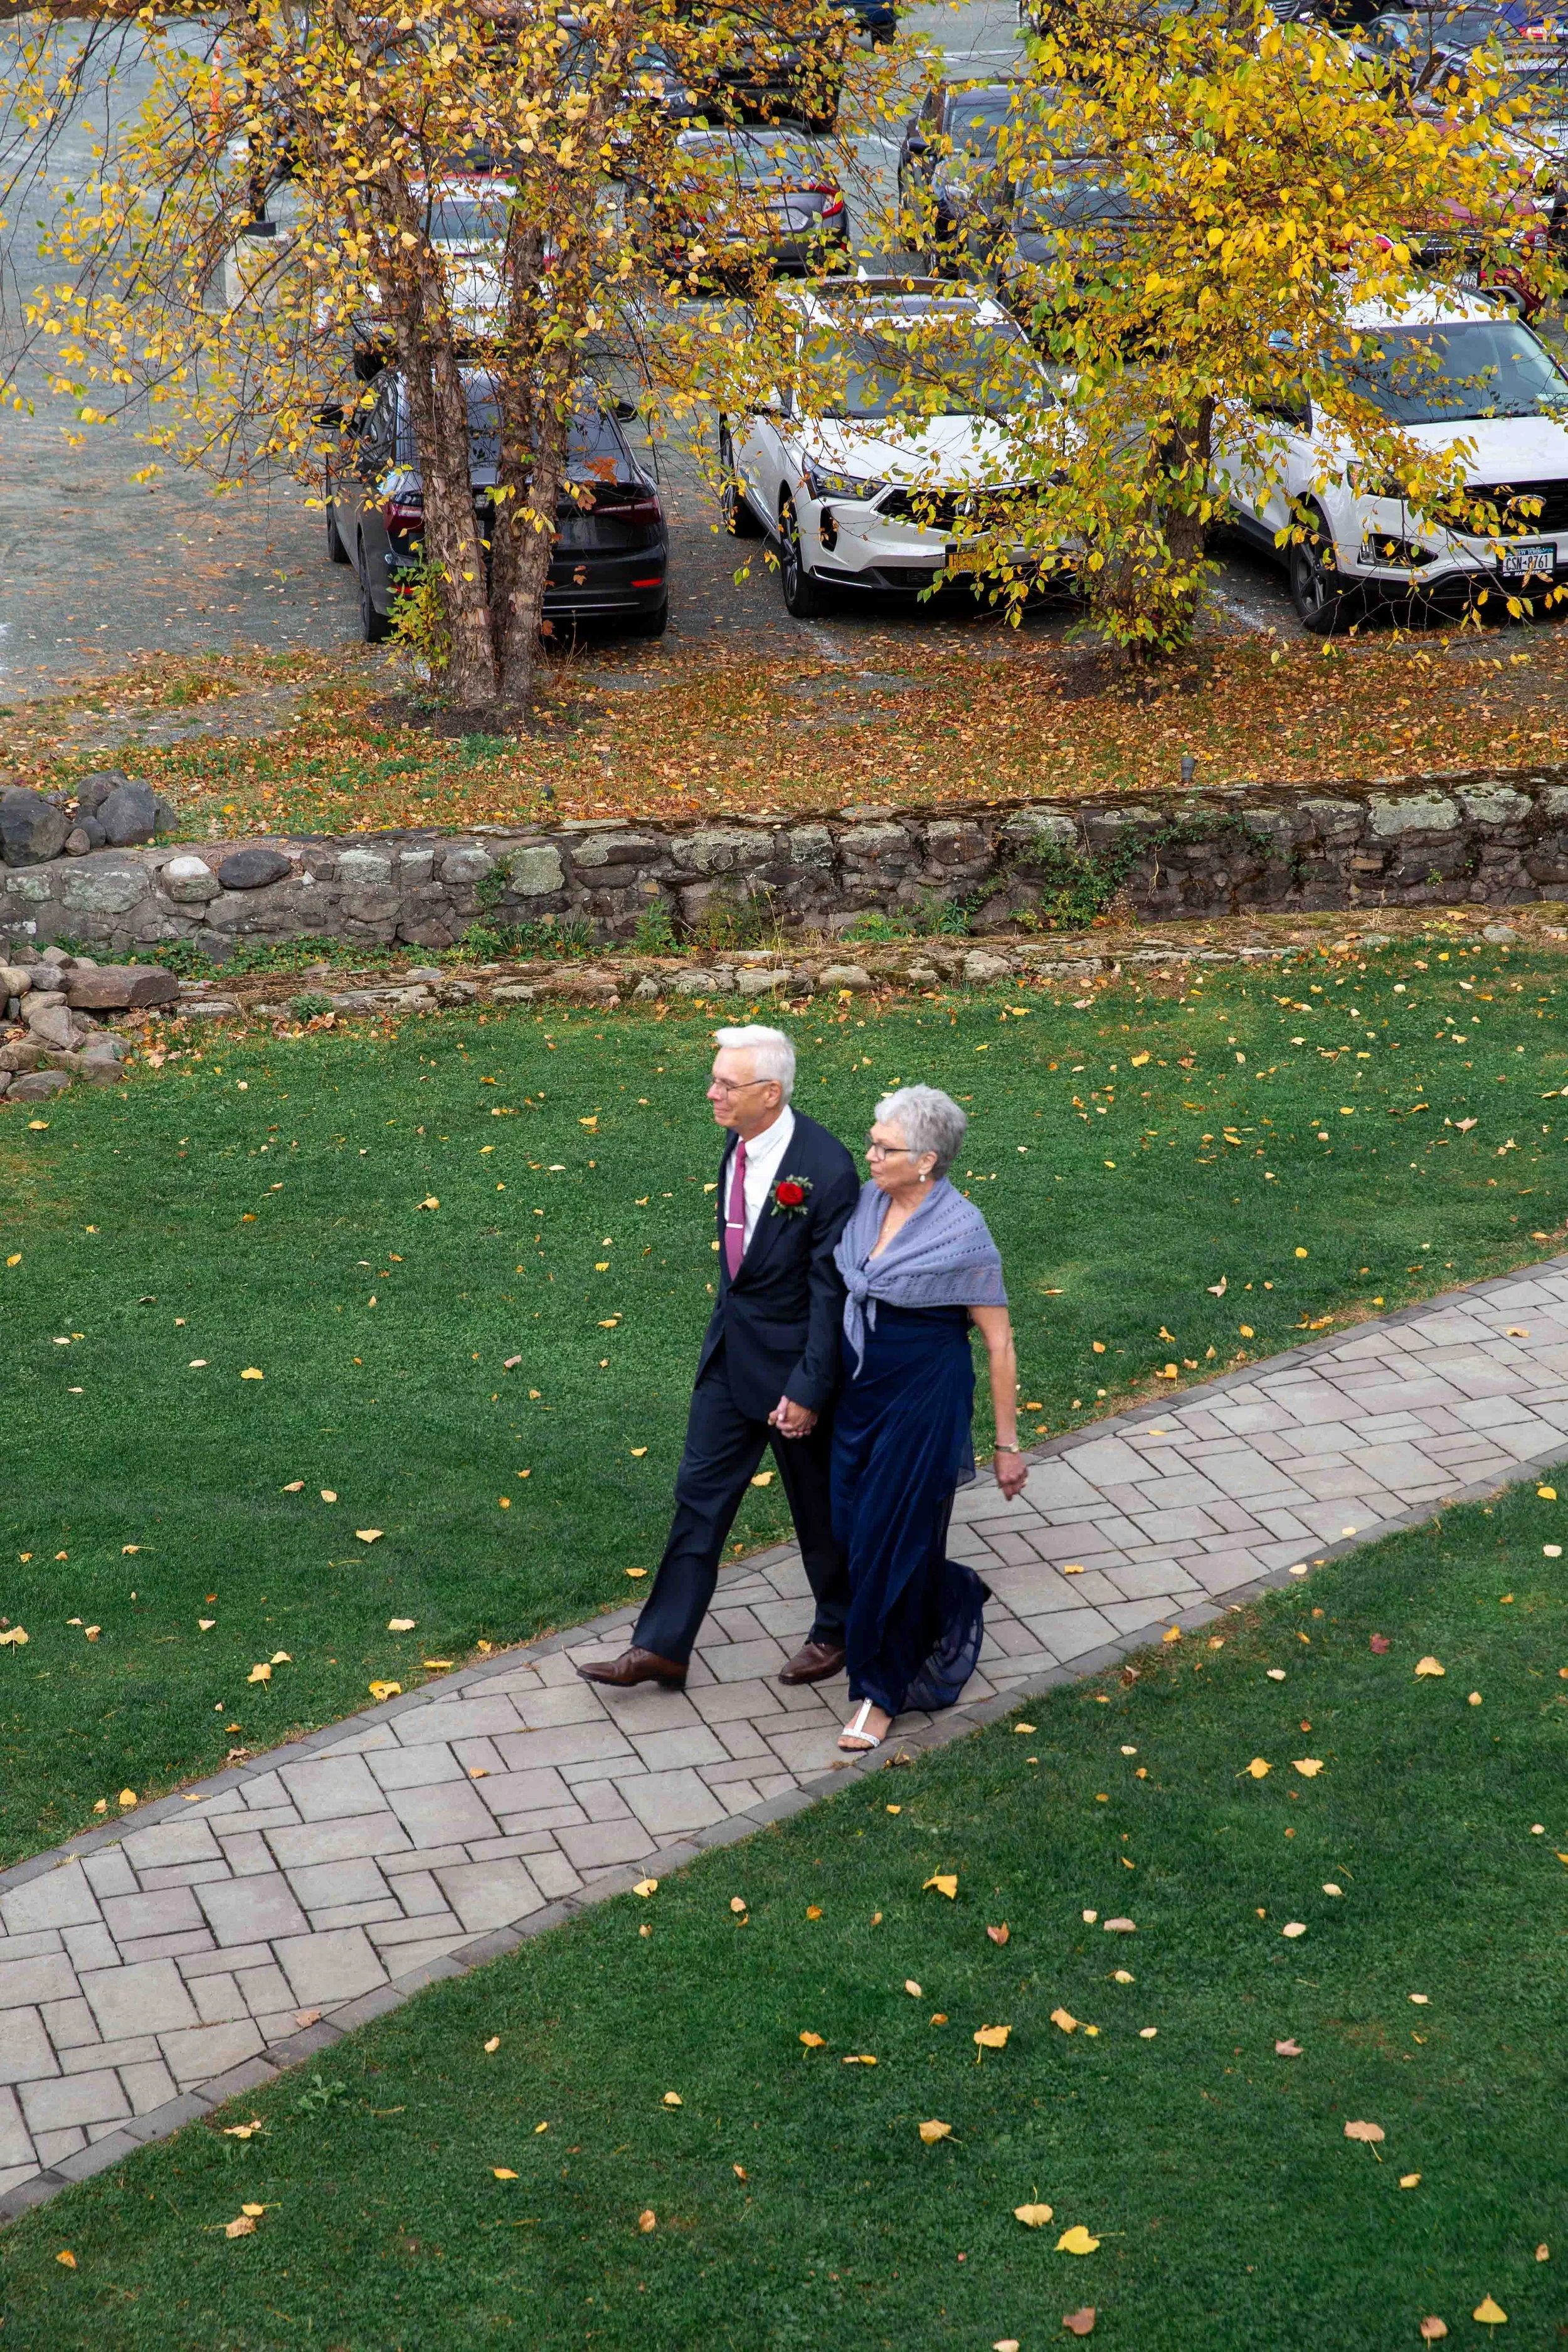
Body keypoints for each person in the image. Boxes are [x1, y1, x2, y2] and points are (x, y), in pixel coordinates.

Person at [578, 1024, 860, 1693]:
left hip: (795, 1376)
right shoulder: (738, 1142)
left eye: (726, 1085)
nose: (711, 1094)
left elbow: (831, 1294)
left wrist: (810, 1388)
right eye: (714, 1080)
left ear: (770, 1092)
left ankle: (838, 1630)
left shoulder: (826, 1171)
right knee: (698, 1500)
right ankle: (663, 1647)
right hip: (730, 1361)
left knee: (816, 1510)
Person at [830, 1085, 1025, 1752]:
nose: (871, 1156)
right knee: (853, 1532)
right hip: (860, 1395)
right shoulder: (864, 1204)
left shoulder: (961, 1232)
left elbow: (998, 1341)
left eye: (885, 1148)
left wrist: (1006, 1445)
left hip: (925, 1399)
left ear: (927, 1160)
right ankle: (951, 1596)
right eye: (872, 1141)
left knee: (890, 1537)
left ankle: (877, 1695)